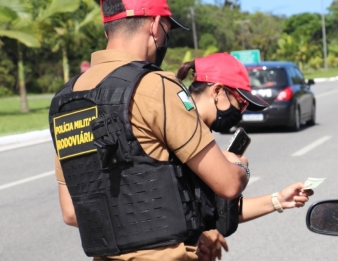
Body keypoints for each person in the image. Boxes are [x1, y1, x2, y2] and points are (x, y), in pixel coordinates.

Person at [48, 0, 258, 260]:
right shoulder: (156, 86)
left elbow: (71, 212)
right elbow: (227, 183)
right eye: (167, 31)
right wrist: (241, 167)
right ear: (156, 26)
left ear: (108, 30)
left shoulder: (65, 99)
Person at [176, 53, 315, 261]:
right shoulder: (179, 131)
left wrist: (279, 200)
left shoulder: (202, 136)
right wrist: (238, 167)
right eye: (240, 103)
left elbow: (218, 210)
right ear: (217, 91)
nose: (240, 112)